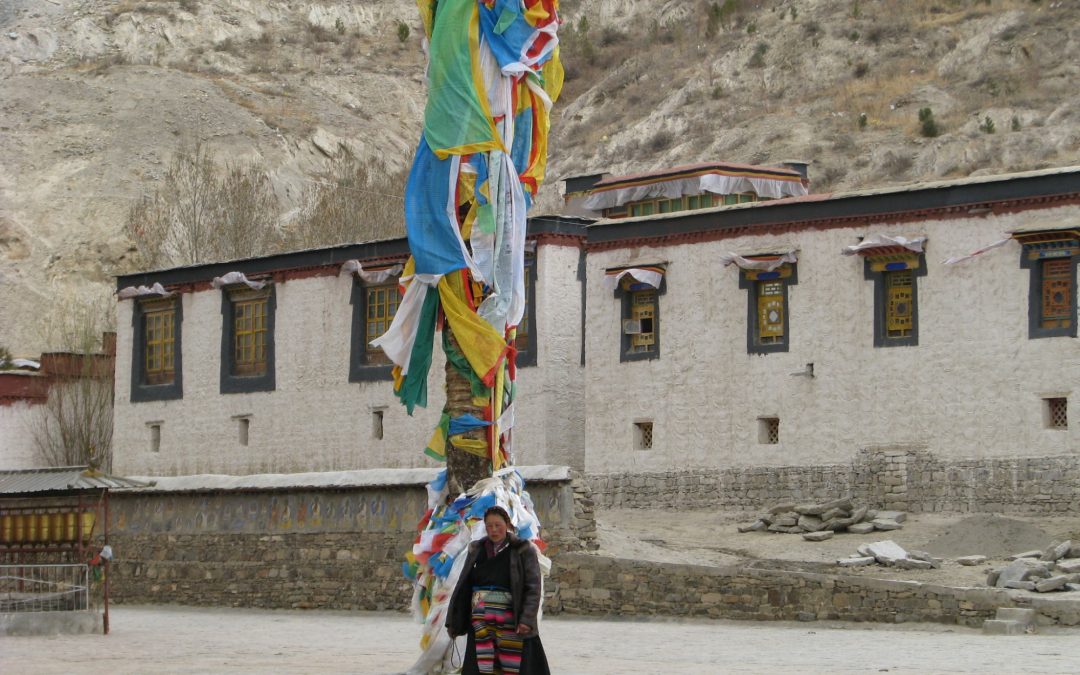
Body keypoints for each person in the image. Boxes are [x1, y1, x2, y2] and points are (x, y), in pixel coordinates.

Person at [446, 506, 550, 674]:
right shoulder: (476, 549)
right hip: (480, 622)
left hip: (511, 618)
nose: (494, 530)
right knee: (483, 665)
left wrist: (526, 619)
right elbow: (464, 585)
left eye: (498, 525)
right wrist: (456, 618)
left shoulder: (523, 549)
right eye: (489, 526)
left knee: (511, 664)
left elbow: (533, 587)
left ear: (507, 524)